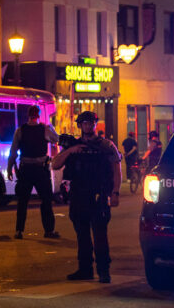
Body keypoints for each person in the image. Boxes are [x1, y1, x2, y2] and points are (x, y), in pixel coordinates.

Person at [52, 111, 122, 284]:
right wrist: (70, 150)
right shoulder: (73, 145)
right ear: (80, 125)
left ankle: (104, 271)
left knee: (99, 235)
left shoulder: (106, 145)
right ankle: (85, 270)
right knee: (82, 235)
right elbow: (55, 164)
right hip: (78, 195)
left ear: (95, 124)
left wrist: (115, 192)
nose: (88, 126)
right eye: (85, 123)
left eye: (91, 123)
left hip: (98, 195)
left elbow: (116, 169)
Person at [7, 105, 60, 240]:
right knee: (46, 200)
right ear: (39, 115)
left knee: (22, 201)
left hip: (25, 169)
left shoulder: (20, 130)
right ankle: (49, 230)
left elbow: (13, 152)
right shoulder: (44, 129)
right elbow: (56, 139)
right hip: (41, 169)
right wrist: (49, 126)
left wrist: (9, 168)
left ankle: (19, 231)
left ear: (28, 115)